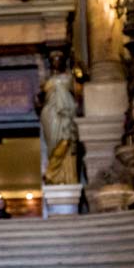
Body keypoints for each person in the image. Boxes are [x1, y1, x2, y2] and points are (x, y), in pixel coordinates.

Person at [38, 51, 80, 184]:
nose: (56, 61)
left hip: (66, 114)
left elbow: (79, 92)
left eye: (59, 59)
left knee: (65, 140)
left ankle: (52, 173)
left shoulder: (70, 76)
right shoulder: (46, 80)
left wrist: (77, 66)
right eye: (53, 59)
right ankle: (53, 174)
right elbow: (40, 98)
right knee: (53, 145)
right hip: (50, 114)